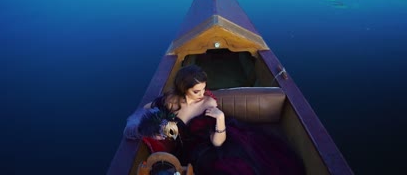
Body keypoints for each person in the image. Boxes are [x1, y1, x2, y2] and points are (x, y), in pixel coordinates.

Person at [125, 65, 305, 175]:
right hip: (188, 150)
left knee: (237, 169)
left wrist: (220, 119)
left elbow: (218, 142)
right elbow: (142, 112)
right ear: (183, 89)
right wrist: (156, 127)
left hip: (215, 144)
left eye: (203, 89)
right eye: (197, 91)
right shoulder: (170, 102)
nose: (202, 95)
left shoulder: (208, 103)